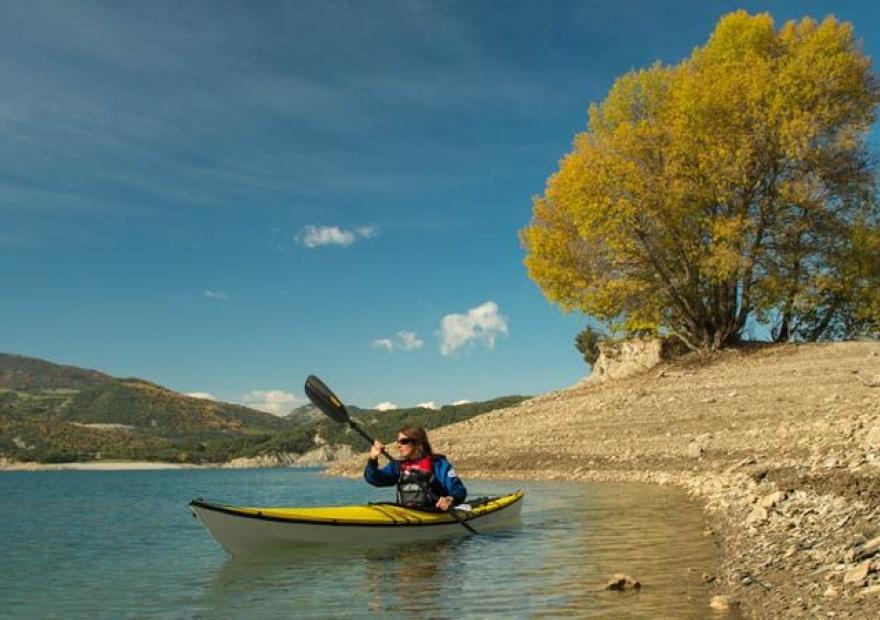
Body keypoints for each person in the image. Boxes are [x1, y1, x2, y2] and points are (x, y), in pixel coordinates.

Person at [364, 426, 466, 511]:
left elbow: (459, 489)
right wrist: (373, 459)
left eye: (404, 441)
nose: (399, 445)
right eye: (398, 442)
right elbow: (375, 479)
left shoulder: (438, 464)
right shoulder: (398, 466)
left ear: (418, 444)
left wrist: (450, 499)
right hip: (406, 514)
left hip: (434, 514)